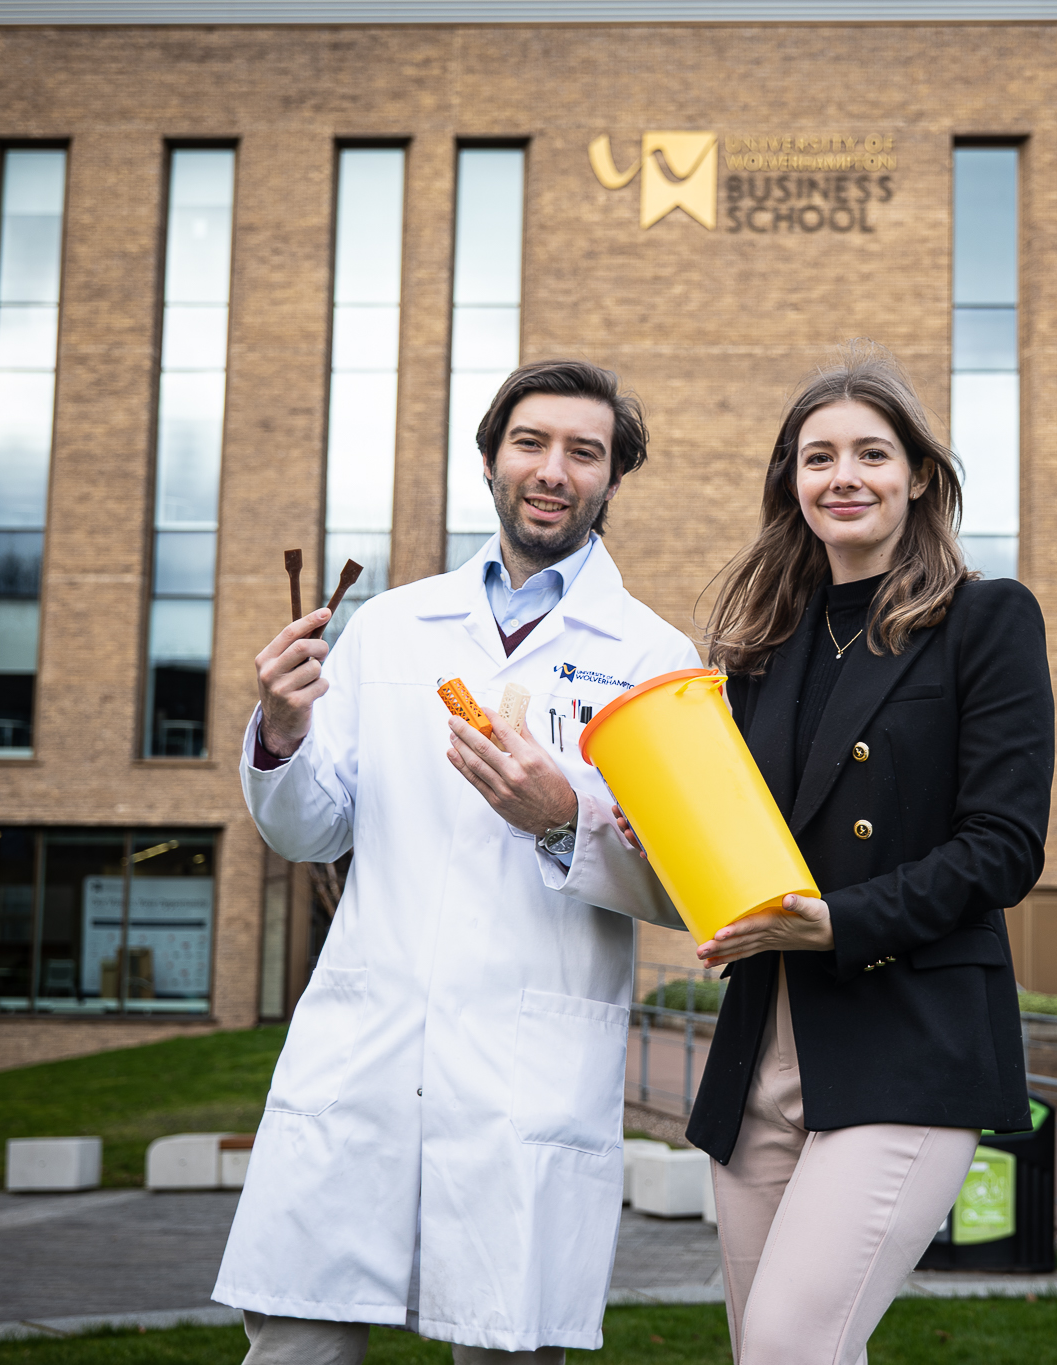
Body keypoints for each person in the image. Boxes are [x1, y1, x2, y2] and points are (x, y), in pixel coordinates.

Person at [214, 359, 700, 1364]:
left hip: (528, 1068)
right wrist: (279, 726)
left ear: (613, 479)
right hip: (368, 1050)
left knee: (504, 1347)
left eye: (584, 451)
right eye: (530, 443)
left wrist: (566, 817)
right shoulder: (391, 625)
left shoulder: (654, 658)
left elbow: (681, 883)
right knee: (297, 1343)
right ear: (489, 461)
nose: (553, 470)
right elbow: (310, 830)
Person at [683, 344, 1054, 1364]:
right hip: (761, 1049)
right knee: (770, 1353)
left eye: (870, 453)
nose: (842, 476)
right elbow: (740, 839)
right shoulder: (758, 649)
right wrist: (667, 833)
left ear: (919, 476)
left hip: (909, 1039)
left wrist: (841, 921)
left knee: (790, 1350)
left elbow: (1004, 847)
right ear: (789, 484)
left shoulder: (985, 620)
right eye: (816, 458)